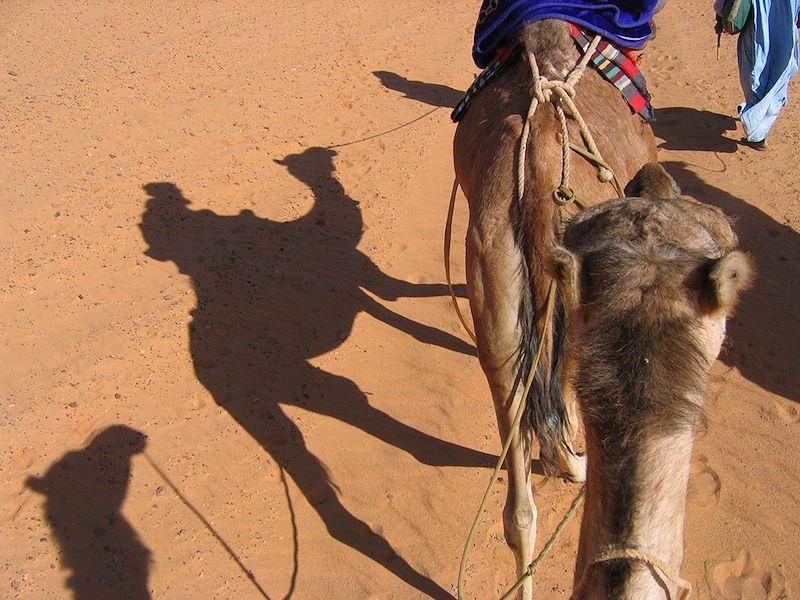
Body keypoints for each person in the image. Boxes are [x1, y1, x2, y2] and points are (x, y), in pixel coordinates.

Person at [719, 0, 800, 149]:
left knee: (754, 75)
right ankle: (755, 116)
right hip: (787, 34)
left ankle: (757, 132)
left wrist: (720, 14)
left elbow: (722, 7)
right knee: (779, 77)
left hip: (757, 32)